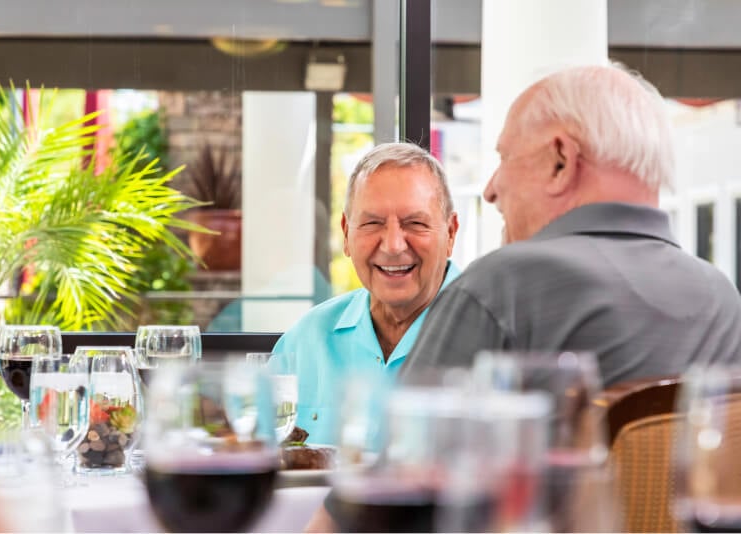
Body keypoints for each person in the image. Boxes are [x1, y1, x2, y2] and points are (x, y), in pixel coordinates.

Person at [401, 63, 741, 385]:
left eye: (505, 158)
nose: (490, 190)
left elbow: (407, 442)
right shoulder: (723, 302)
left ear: (561, 161)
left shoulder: (504, 285)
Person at [270, 142, 460, 444]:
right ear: (346, 233)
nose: (393, 245)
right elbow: (259, 451)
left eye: (415, 223)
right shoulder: (303, 341)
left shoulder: (496, 336)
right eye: (372, 223)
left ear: (450, 233)